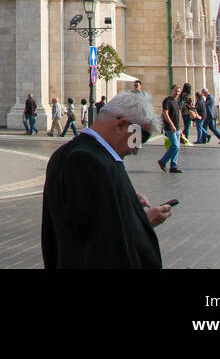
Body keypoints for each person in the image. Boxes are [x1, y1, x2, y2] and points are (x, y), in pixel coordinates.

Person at [41, 90, 171, 269]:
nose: (136, 149)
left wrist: (127, 200)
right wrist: (143, 222)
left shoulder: (73, 153)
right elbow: (102, 243)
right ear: (121, 125)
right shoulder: (89, 162)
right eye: (138, 139)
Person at [158, 85, 183, 174]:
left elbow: (176, 115)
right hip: (170, 127)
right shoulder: (167, 101)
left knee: (177, 147)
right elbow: (165, 113)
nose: (177, 93)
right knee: (175, 145)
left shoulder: (175, 101)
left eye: (179, 91)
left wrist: (179, 129)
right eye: (176, 91)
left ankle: (173, 166)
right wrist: (171, 125)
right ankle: (163, 161)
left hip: (176, 128)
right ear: (171, 90)